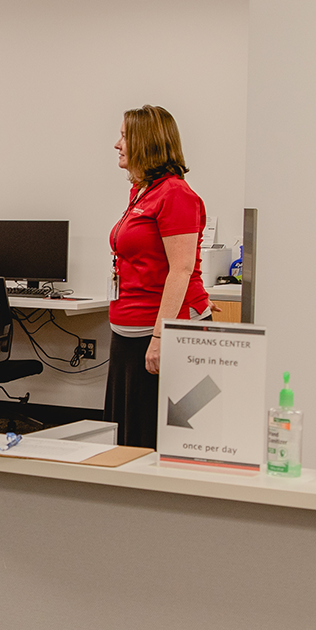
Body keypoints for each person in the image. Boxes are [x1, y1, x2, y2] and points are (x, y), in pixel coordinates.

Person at [106, 105, 210, 449]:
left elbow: (180, 269)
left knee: (151, 438)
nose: (116, 144)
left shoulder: (176, 194)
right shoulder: (142, 191)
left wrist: (161, 336)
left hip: (154, 331)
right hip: (128, 326)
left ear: (145, 142)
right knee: (124, 432)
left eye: (124, 136)